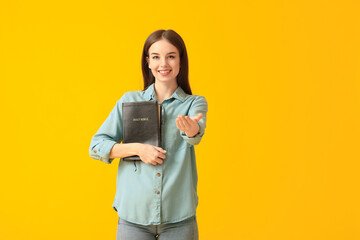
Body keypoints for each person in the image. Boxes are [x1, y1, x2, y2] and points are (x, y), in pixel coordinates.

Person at [89, 29, 208, 240]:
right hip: (133, 217)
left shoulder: (194, 103)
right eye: (156, 57)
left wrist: (192, 131)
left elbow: (196, 134)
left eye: (171, 56)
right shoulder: (129, 100)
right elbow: (96, 146)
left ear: (181, 61)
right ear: (148, 62)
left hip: (179, 218)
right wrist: (137, 149)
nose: (164, 63)